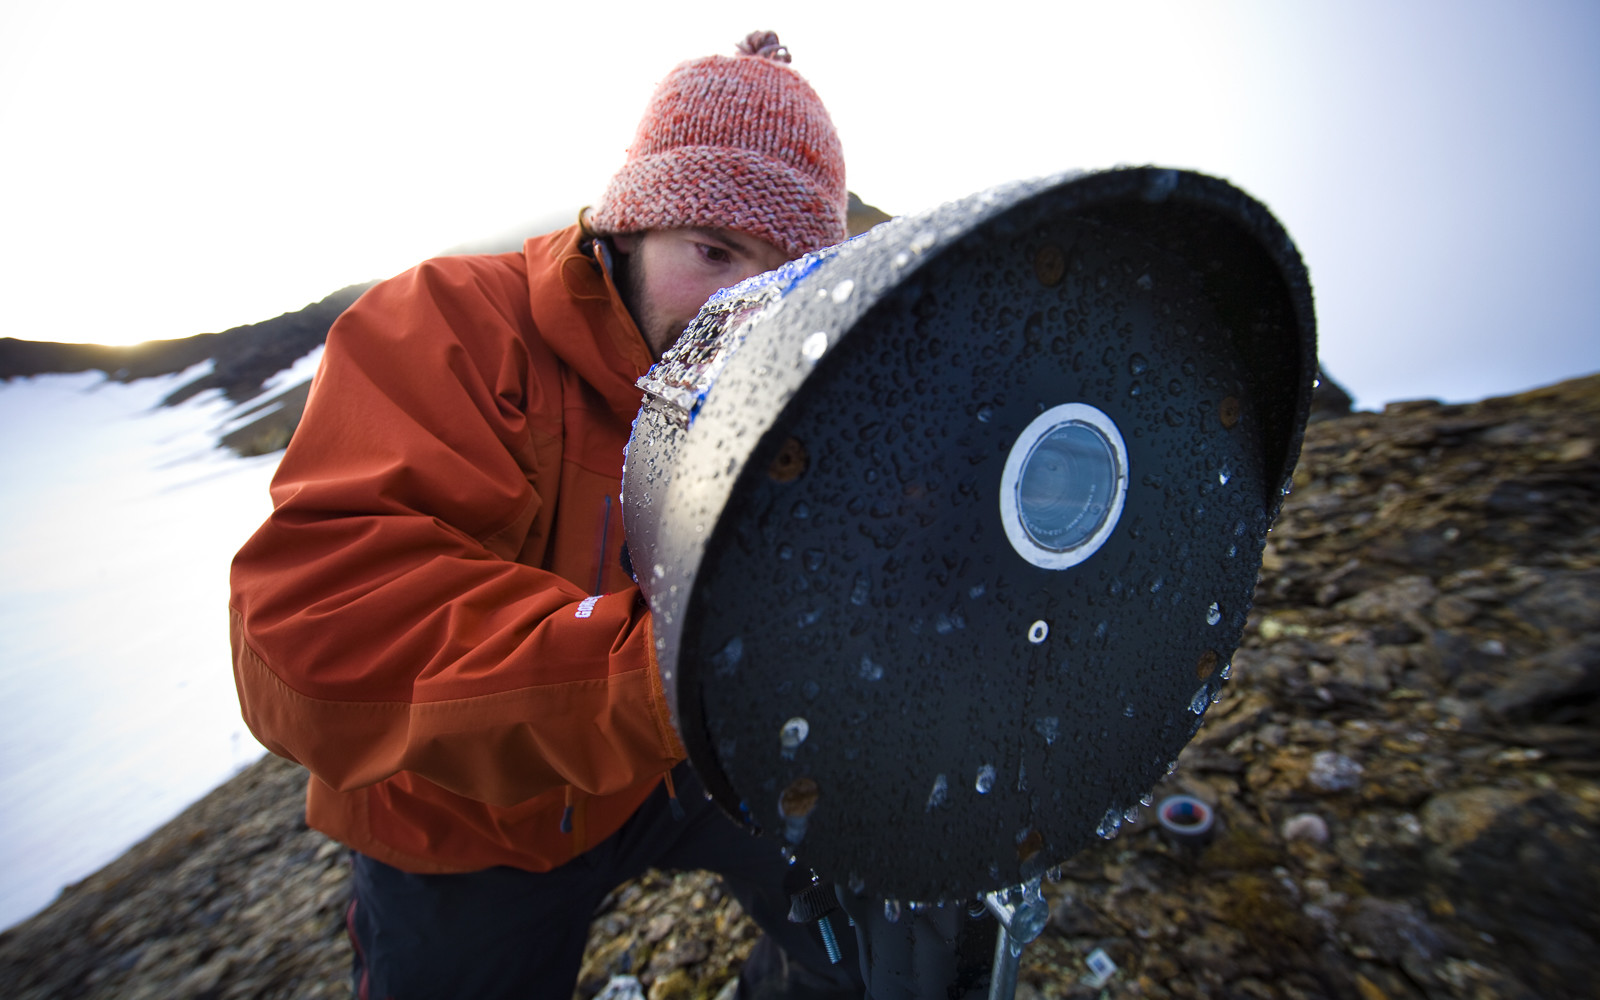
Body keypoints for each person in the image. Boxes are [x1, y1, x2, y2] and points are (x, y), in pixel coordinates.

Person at [229, 31, 866, 1000]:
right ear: (629, 225)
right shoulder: (447, 325)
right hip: (464, 820)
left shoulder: (785, 389)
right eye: (713, 249)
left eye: (784, 274)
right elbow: (313, 637)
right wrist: (680, 675)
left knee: (892, 923)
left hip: (677, 768)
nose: (747, 307)